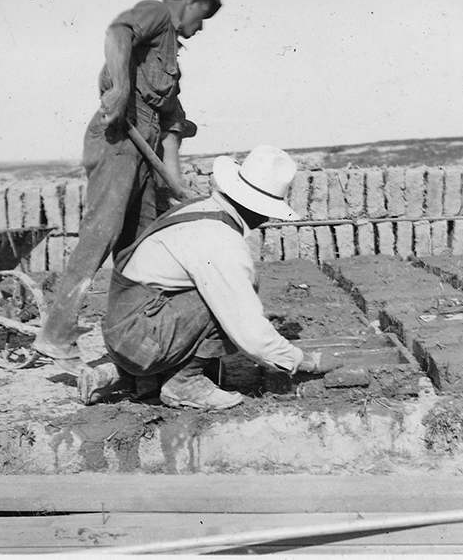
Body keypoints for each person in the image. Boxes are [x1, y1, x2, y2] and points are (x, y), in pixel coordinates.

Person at [31, 0, 222, 362]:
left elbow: (171, 129)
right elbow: (117, 33)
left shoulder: (171, 59)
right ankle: (56, 332)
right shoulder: (156, 13)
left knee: (142, 243)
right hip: (119, 138)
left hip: (145, 149)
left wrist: (174, 183)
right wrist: (119, 90)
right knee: (103, 230)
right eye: (203, 16)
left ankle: (132, 336)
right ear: (190, 0)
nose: (200, 28)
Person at [76, 145, 338, 410]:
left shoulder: (202, 208)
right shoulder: (222, 241)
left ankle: (126, 379)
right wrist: (299, 360)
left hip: (126, 329)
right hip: (138, 337)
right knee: (229, 301)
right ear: (263, 209)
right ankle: (184, 383)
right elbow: (249, 333)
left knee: (227, 298)